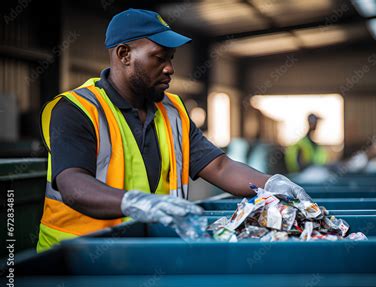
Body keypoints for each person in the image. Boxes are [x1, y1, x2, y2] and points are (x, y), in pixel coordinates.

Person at [37, 8, 312, 252]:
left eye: (171, 58)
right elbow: (73, 185)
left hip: (144, 253)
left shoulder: (173, 111)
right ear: (124, 54)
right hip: (76, 261)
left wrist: (270, 184)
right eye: (159, 58)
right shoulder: (76, 109)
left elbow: (219, 167)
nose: (169, 68)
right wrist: (136, 203)